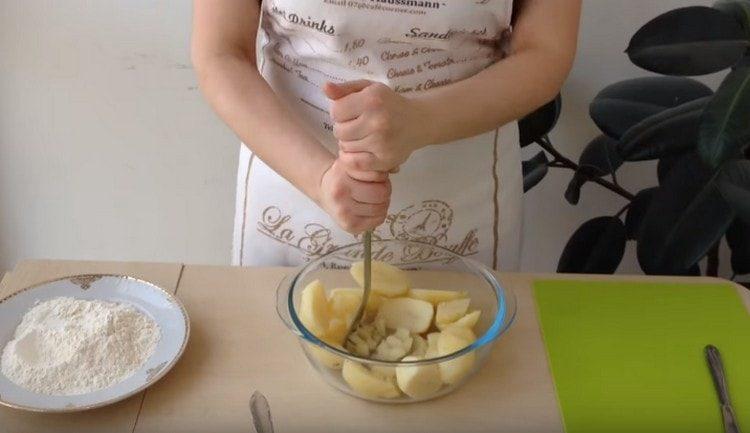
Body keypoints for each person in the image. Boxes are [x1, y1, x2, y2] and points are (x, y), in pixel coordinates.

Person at [192, 0, 581, 269]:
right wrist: (321, 179)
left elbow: (546, 51)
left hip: (460, 193)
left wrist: (423, 120)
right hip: (294, 179)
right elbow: (221, 53)